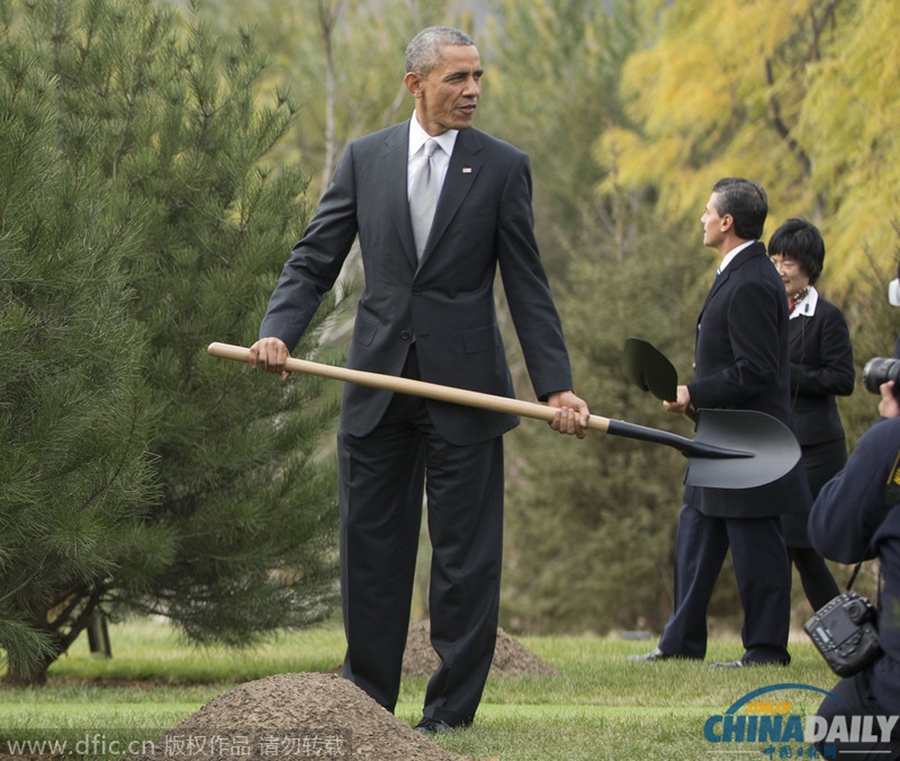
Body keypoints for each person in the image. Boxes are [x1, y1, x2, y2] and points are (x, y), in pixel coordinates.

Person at [249, 26, 590, 733]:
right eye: (456, 78)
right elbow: (315, 258)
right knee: (371, 547)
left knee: (465, 556)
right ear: (416, 84)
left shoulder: (501, 167)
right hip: (376, 383)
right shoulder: (365, 158)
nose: (471, 91)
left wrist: (555, 385)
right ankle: (366, 700)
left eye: (477, 77)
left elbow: (527, 284)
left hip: (467, 387)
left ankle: (449, 714)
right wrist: (280, 328)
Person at [630, 178, 811, 666]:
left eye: (708, 211)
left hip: (749, 441)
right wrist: (695, 403)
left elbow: (756, 369)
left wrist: (694, 391)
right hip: (720, 433)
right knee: (696, 531)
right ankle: (680, 642)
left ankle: (767, 650)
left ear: (727, 222)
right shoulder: (739, 271)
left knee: (756, 544)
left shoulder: (753, 279)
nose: (702, 219)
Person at [808, 381, 900, 760]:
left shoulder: (892, 444)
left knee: (832, 727)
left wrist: (886, 428)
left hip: (893, 695)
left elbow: (831, 534)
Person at [768, 218, 854, 611]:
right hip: (773, 442)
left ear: (810, 266)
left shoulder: (827, 317)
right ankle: (838, 634)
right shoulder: (766, 311)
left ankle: (835, 633)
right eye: (774, 259)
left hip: (816, 449)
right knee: (787, 544)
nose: (780, 269)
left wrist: (787, 374)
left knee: (797, 542)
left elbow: (842, 379)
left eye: (789, 261)